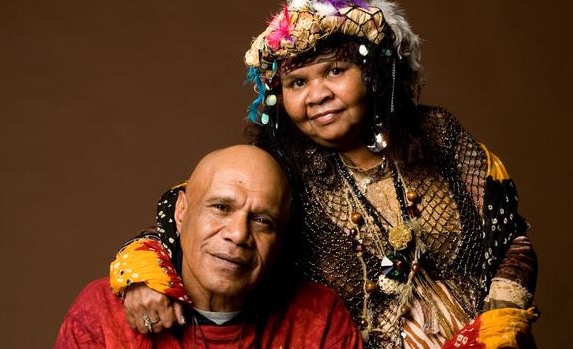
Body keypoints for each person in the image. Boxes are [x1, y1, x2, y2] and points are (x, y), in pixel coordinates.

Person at [110, 0, 539, 348]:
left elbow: (510, 234)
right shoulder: (279, 171)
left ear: (371, 72)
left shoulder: (439, 135)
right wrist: (143, 275)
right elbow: (193, 213)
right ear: (280, 98)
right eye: (298, 83)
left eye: (335, 71)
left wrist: (499, 319)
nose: (318, 94)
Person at [55, 145, 362, 348]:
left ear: (281, 236)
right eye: (221, 207)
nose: (238, 234)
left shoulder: (319, 319)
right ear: (181, 212)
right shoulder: (102, 316)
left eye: (262, 221)